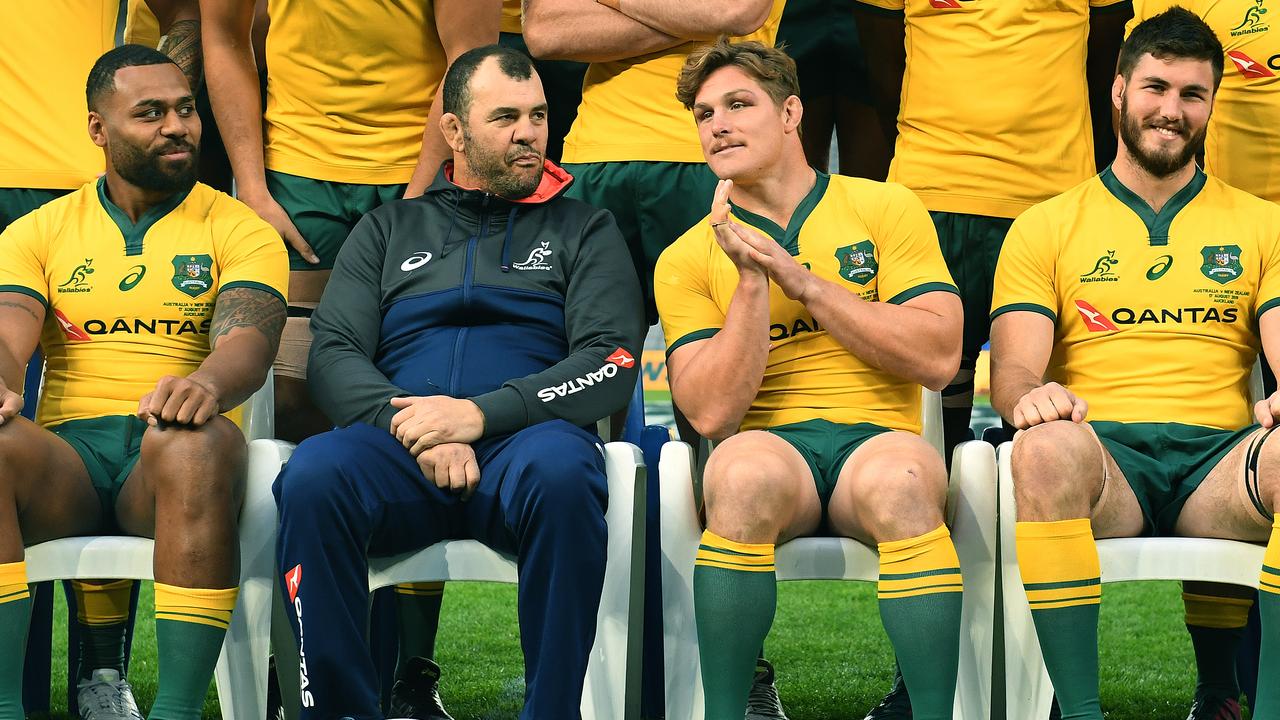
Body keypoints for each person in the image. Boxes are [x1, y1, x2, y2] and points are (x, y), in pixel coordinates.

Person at [272, 44, 645, 720]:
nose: (528, 132)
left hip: (525, 445)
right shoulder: (388, 229)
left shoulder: (586, 229)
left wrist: (476, 416)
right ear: (454, 130)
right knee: (312, 476)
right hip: (395, 445)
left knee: (567, 475)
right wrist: (411, 425)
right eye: (505, 116)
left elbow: (611, 361)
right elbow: (333, 351)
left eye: (537, 115)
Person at [654, 39, 964, 720]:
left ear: (792, 112)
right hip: (771, 446)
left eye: (739, 104)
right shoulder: (685, 255)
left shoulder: (885, 207)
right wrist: (752, 284)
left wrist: (802, 281)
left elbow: (940, 355)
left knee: (905, 484)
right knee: (738, 478)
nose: (719, 125)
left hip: (879, 439)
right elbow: (708, 413)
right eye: (705, 114)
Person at [990, 9, 1280, 719]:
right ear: (1117, 91)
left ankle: (1262, 706)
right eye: (1155, 87)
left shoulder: (1263, 221)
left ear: (1213, 104)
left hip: (1218, 467)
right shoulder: (1046, 225)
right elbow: (1014, 376)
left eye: (1192, 94)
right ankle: (1080, 712)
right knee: (1044, 449)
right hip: (1106, 463)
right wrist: (1032, 400)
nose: (1170, 111)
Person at [0, 44, 287, 720]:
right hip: (67, 467)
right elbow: (10, 332)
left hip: (164, 462)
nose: (178, 126)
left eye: (186, 110)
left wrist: (208, 385)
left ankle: (178, 711)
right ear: (100, 130)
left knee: (195, 441)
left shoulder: (238, 226)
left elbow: (250, 339)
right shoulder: (37, 230)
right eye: (151, 113)